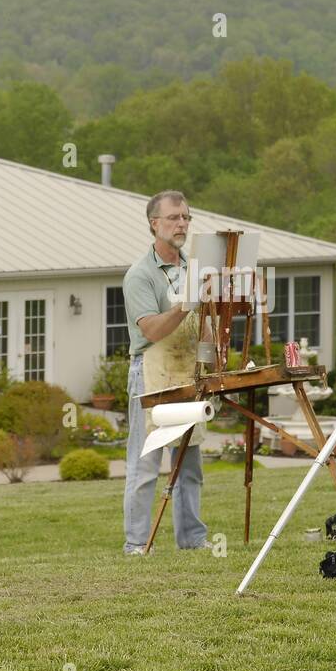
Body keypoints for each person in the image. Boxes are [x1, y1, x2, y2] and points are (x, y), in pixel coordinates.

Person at [120, 190, 209, 555]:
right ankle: (137, 544)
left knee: (189, 462)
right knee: (145, 464)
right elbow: (152, 330)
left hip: (187, 372)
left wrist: (209, 363)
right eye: (174, 218)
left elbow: (204, 325)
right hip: (150, 373)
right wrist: (184, 305)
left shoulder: (196, 268)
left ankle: (193, 540)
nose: (182, 224)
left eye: (186, 217)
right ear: (154, 224)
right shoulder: (140, 275)